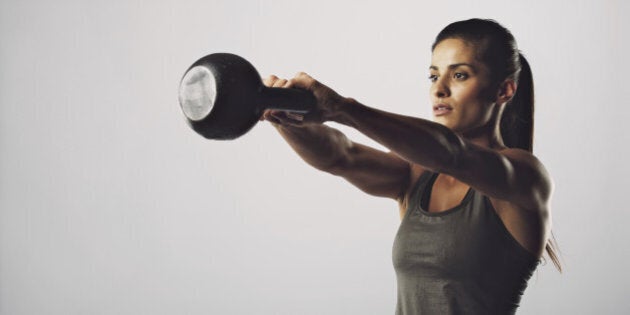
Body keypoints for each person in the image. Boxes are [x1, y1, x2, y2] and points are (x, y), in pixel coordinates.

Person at [261, 18, 561, 314]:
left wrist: (341, 107)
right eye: (433, 76)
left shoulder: (526, 177)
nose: (439, 89)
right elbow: (341, 155)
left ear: (504, 91)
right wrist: (280, 114)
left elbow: (453, 154)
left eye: (459, 75)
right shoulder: (417, 175)